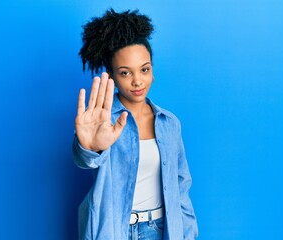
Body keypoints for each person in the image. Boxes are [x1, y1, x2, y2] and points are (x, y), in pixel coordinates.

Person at [73, 9, 198, 240]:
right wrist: (90, 148)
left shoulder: (169, 124)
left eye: (144, 69)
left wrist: (188, 234)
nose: (137, 80)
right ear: (111, 75)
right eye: (125, 72)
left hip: (160, 230)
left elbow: (181, 186)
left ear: (152, 71)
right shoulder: (101, 120)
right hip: (113, 231)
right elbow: (85, 160)